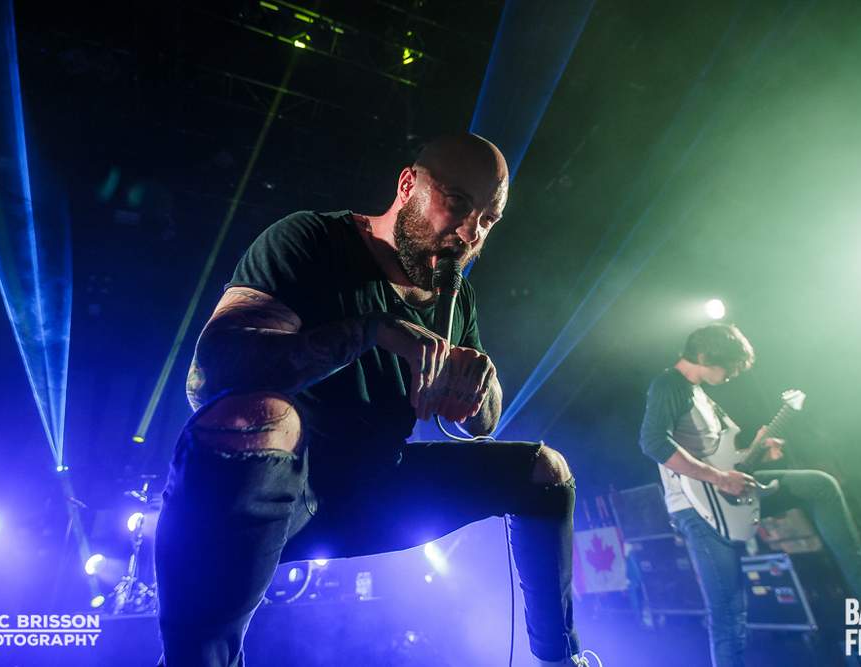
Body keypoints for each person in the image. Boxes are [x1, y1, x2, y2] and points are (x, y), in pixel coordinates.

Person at [155, 133, 591, 666]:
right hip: (280, 492)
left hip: (378, 486)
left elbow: (483, 423)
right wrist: (372, 331)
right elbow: (210, 375)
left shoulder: (455, 297)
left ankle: (558, 659)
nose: (469, 233)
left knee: (545, 471)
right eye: (458, 203)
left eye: (488, 219)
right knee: (263, 418)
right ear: (408, 185)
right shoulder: (313, 239)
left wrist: (481, 384)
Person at [638, 323, 861, 667]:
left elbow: (723, 460)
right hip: (698, 510)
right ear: (707, 355)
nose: (734, 374)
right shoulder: (669, 385)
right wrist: (720, 477)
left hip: (724, 494)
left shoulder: (701, 396)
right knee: (728, 613)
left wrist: (755, 451)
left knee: (820, 485)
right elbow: (653, 442)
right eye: (731, 365)